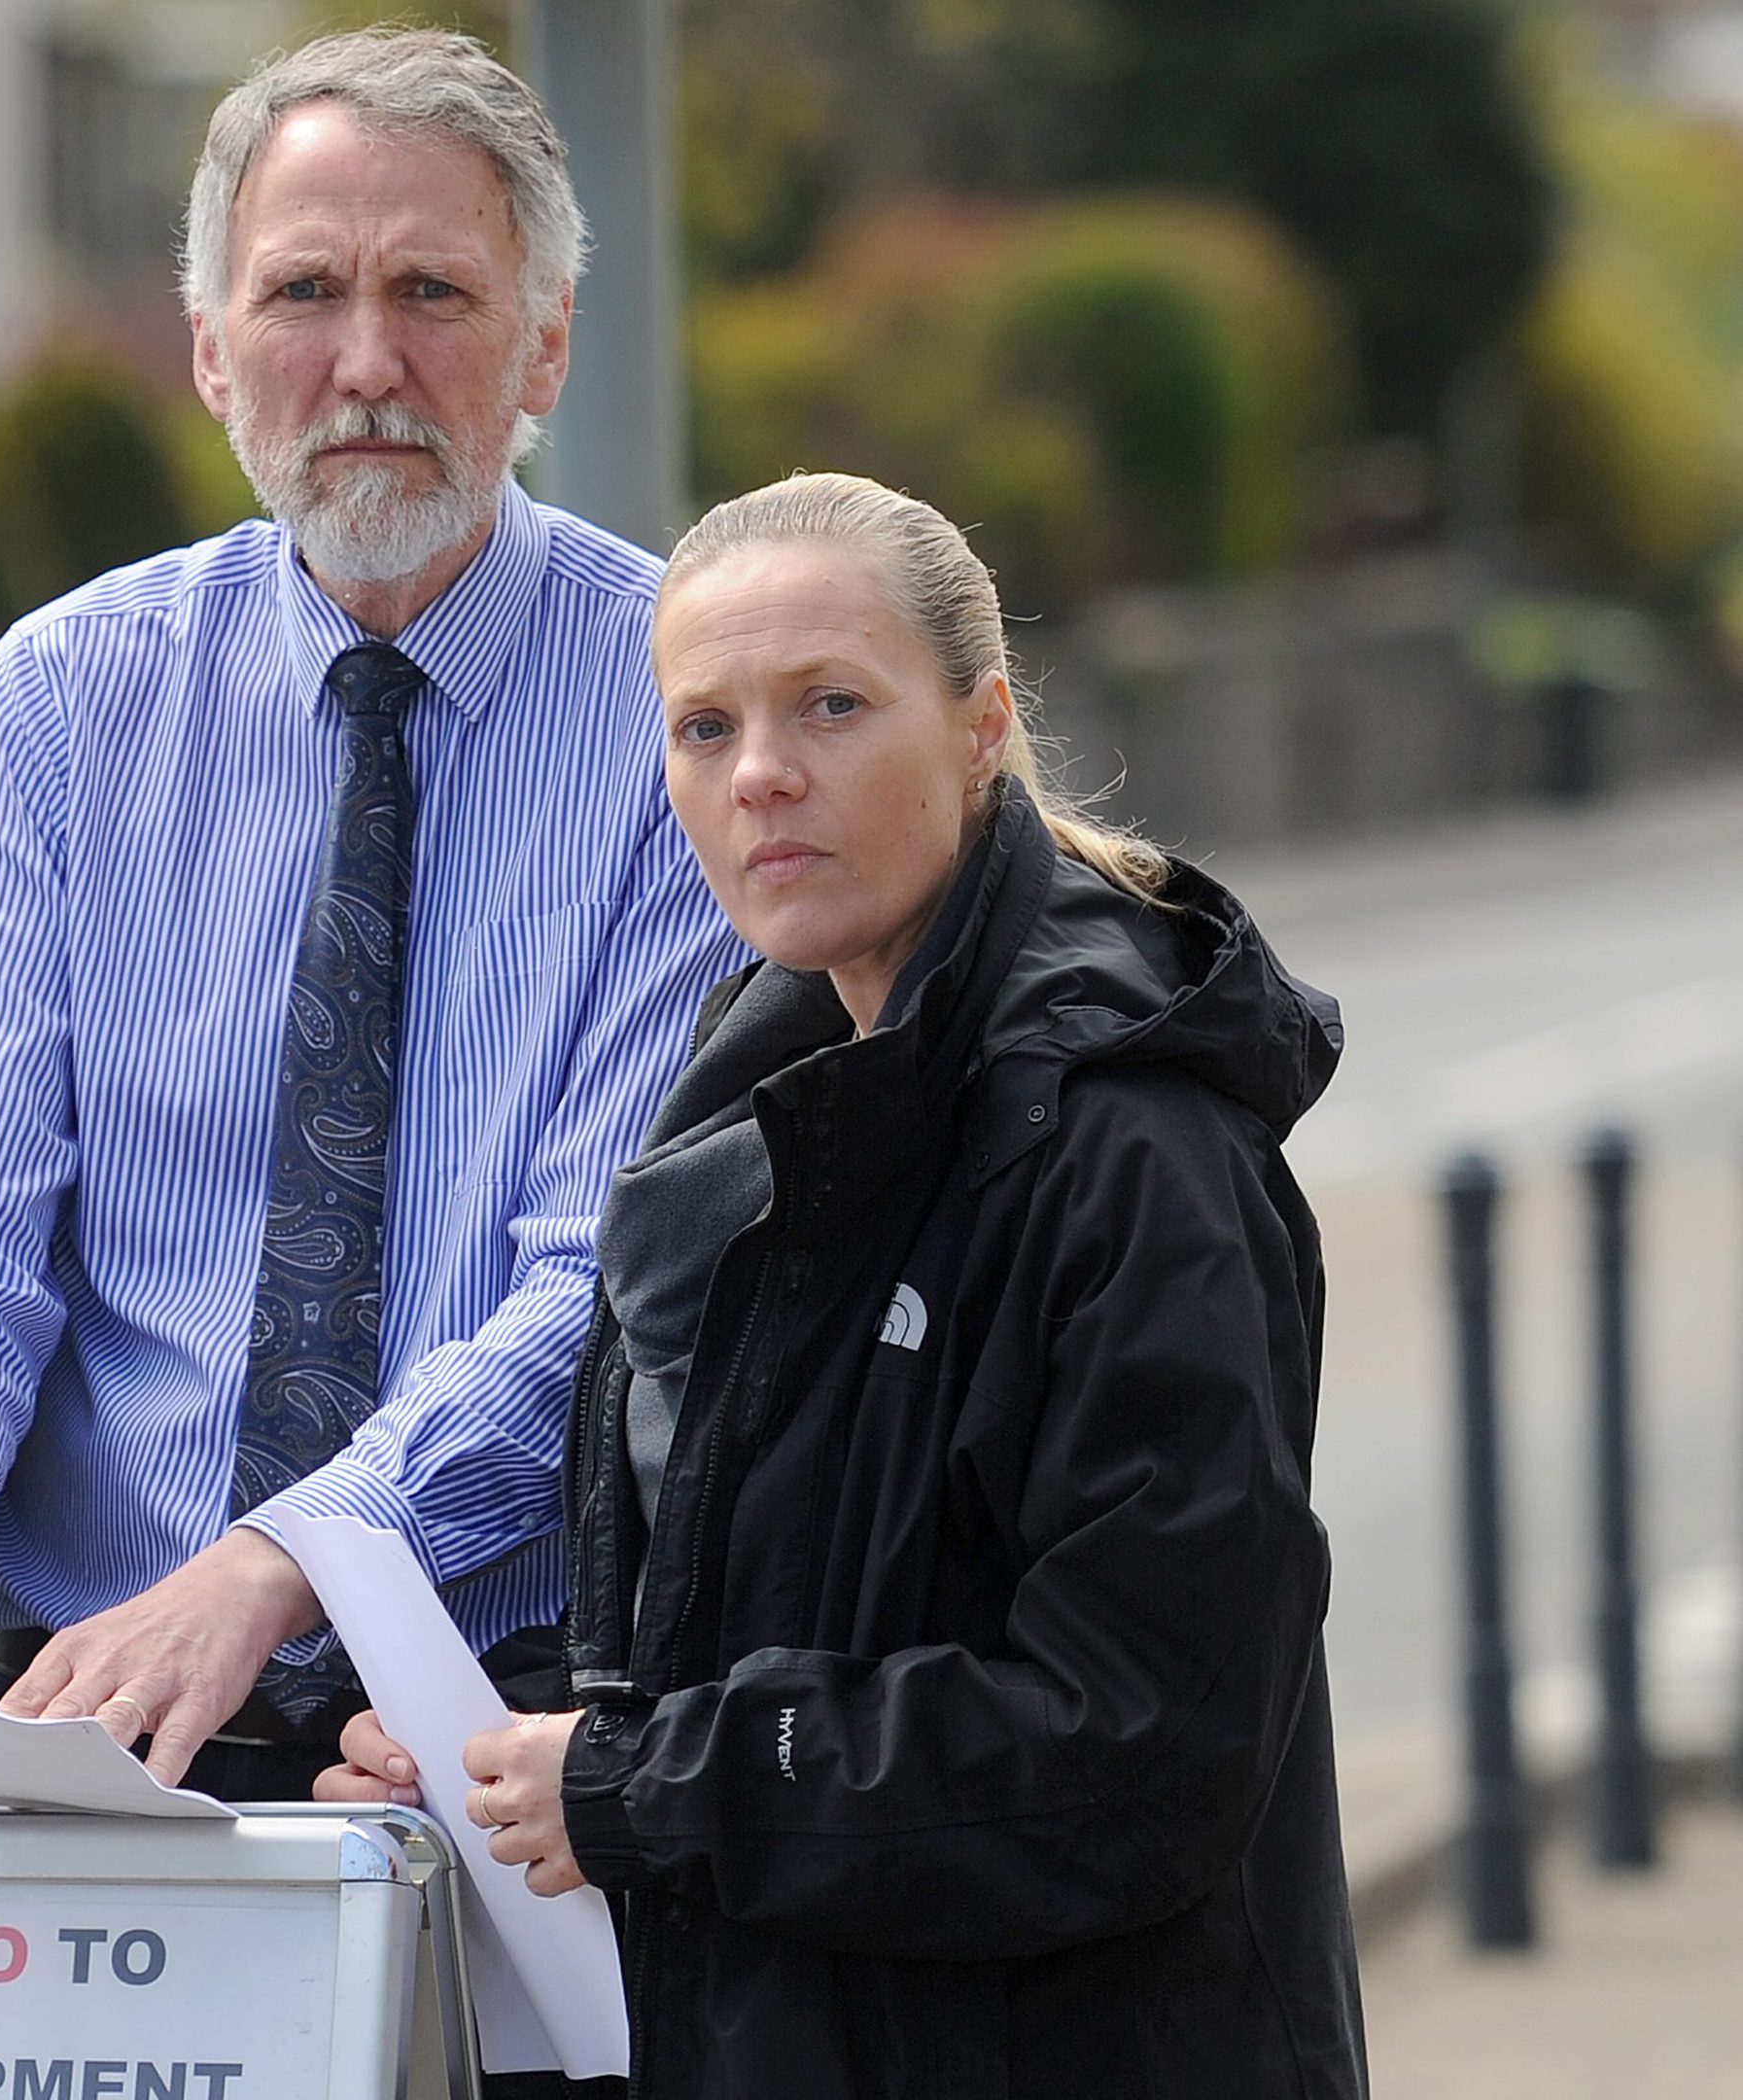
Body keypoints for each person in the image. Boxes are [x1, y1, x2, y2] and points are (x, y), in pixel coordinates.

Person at [0, 26, 745, 1822]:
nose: (365, 363)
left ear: (542, 345)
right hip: (97, 1722)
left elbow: (609, 1284)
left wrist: (289, 1562)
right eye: (303, 291)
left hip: (507, 1727)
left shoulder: (683, 706)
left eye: (433, 292)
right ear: (213, 353)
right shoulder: (66, 698)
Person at [325, 472, 1364, 2097]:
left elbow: (1143, 1745)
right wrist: (488, 1760)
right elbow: (760, 1614)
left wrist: (637, 1787)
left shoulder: (1127, 1145)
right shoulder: (752, 1112)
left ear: (976, 725)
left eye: (829, 705)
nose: (761, 776)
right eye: (701, 727)